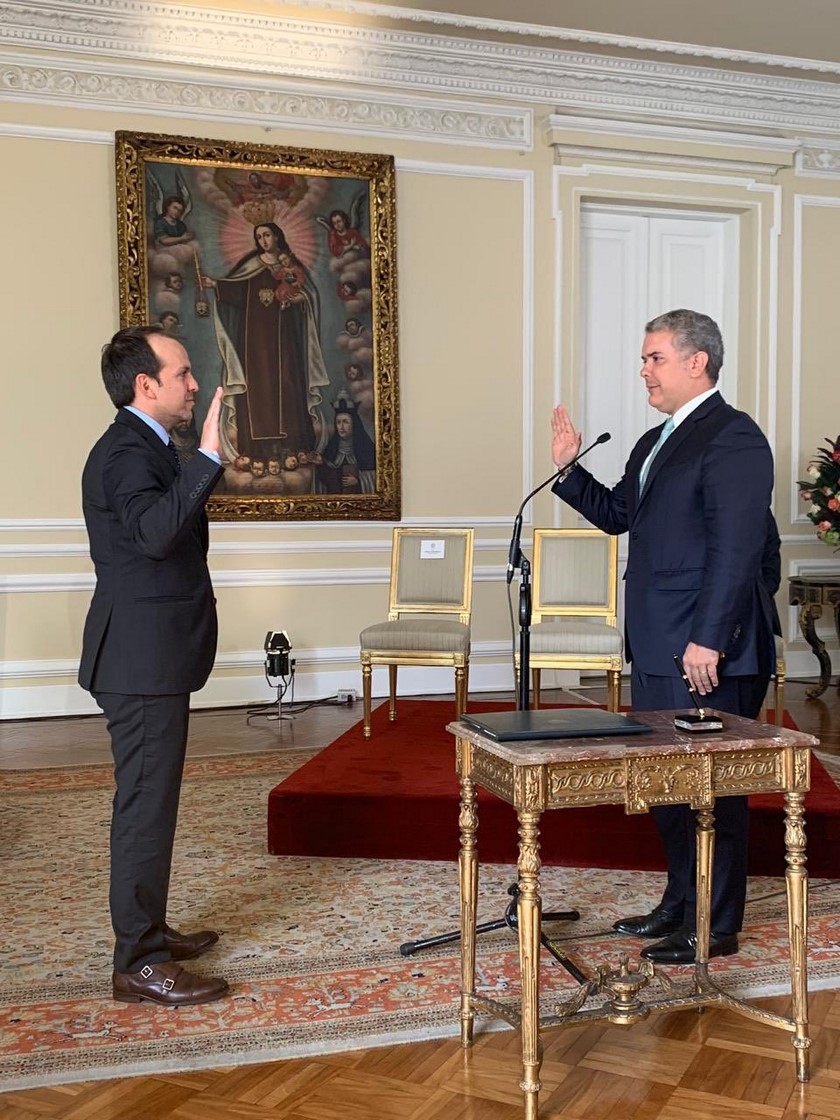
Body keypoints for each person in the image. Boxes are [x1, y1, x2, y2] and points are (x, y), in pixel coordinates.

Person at [550, 308, 779, 964]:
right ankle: (680, 902)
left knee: (712, 792)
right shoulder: (654, 442)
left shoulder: (734, 437)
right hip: (656, 645)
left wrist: (709, 638)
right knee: (667, 787)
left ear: (696, 361)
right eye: (644, 358)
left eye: (655, 357)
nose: (644, 370)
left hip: (707, 650)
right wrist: (569, 470)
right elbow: (618, 515)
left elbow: (738, 549)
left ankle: (715, 925)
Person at [79, 325, 229, 1006]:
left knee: (154, 803)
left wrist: (197, 460)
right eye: (183, 373)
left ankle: (151, 931)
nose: (194, 385)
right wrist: (208, 457)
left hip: (153, 657)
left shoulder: (147, 446)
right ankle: (138, 962)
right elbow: (155, 533)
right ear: (146, 384)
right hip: (139, 661)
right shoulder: (124, 453)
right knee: (144, 807)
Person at [202, 222, 329, 466]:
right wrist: (215, 284)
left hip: (286, 340)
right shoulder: (252, 266)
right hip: (254, 341)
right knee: (257, 388)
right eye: (259, 237)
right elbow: (236, 289)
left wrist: (300, 299)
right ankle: (258, 451)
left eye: (267, 235)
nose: (263, 240)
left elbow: (308, 295)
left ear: (277, 236)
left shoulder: (289, 265)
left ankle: (295, 447)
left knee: (289, 385)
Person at [318, 396, 376, 494]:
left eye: (345, 422)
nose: (341, 427)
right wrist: (321, 464)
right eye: (338, 422)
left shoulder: (366, 448)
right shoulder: (331, 449)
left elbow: (377, 475)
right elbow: (325, 479)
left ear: (354, 424)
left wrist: (359, 481)